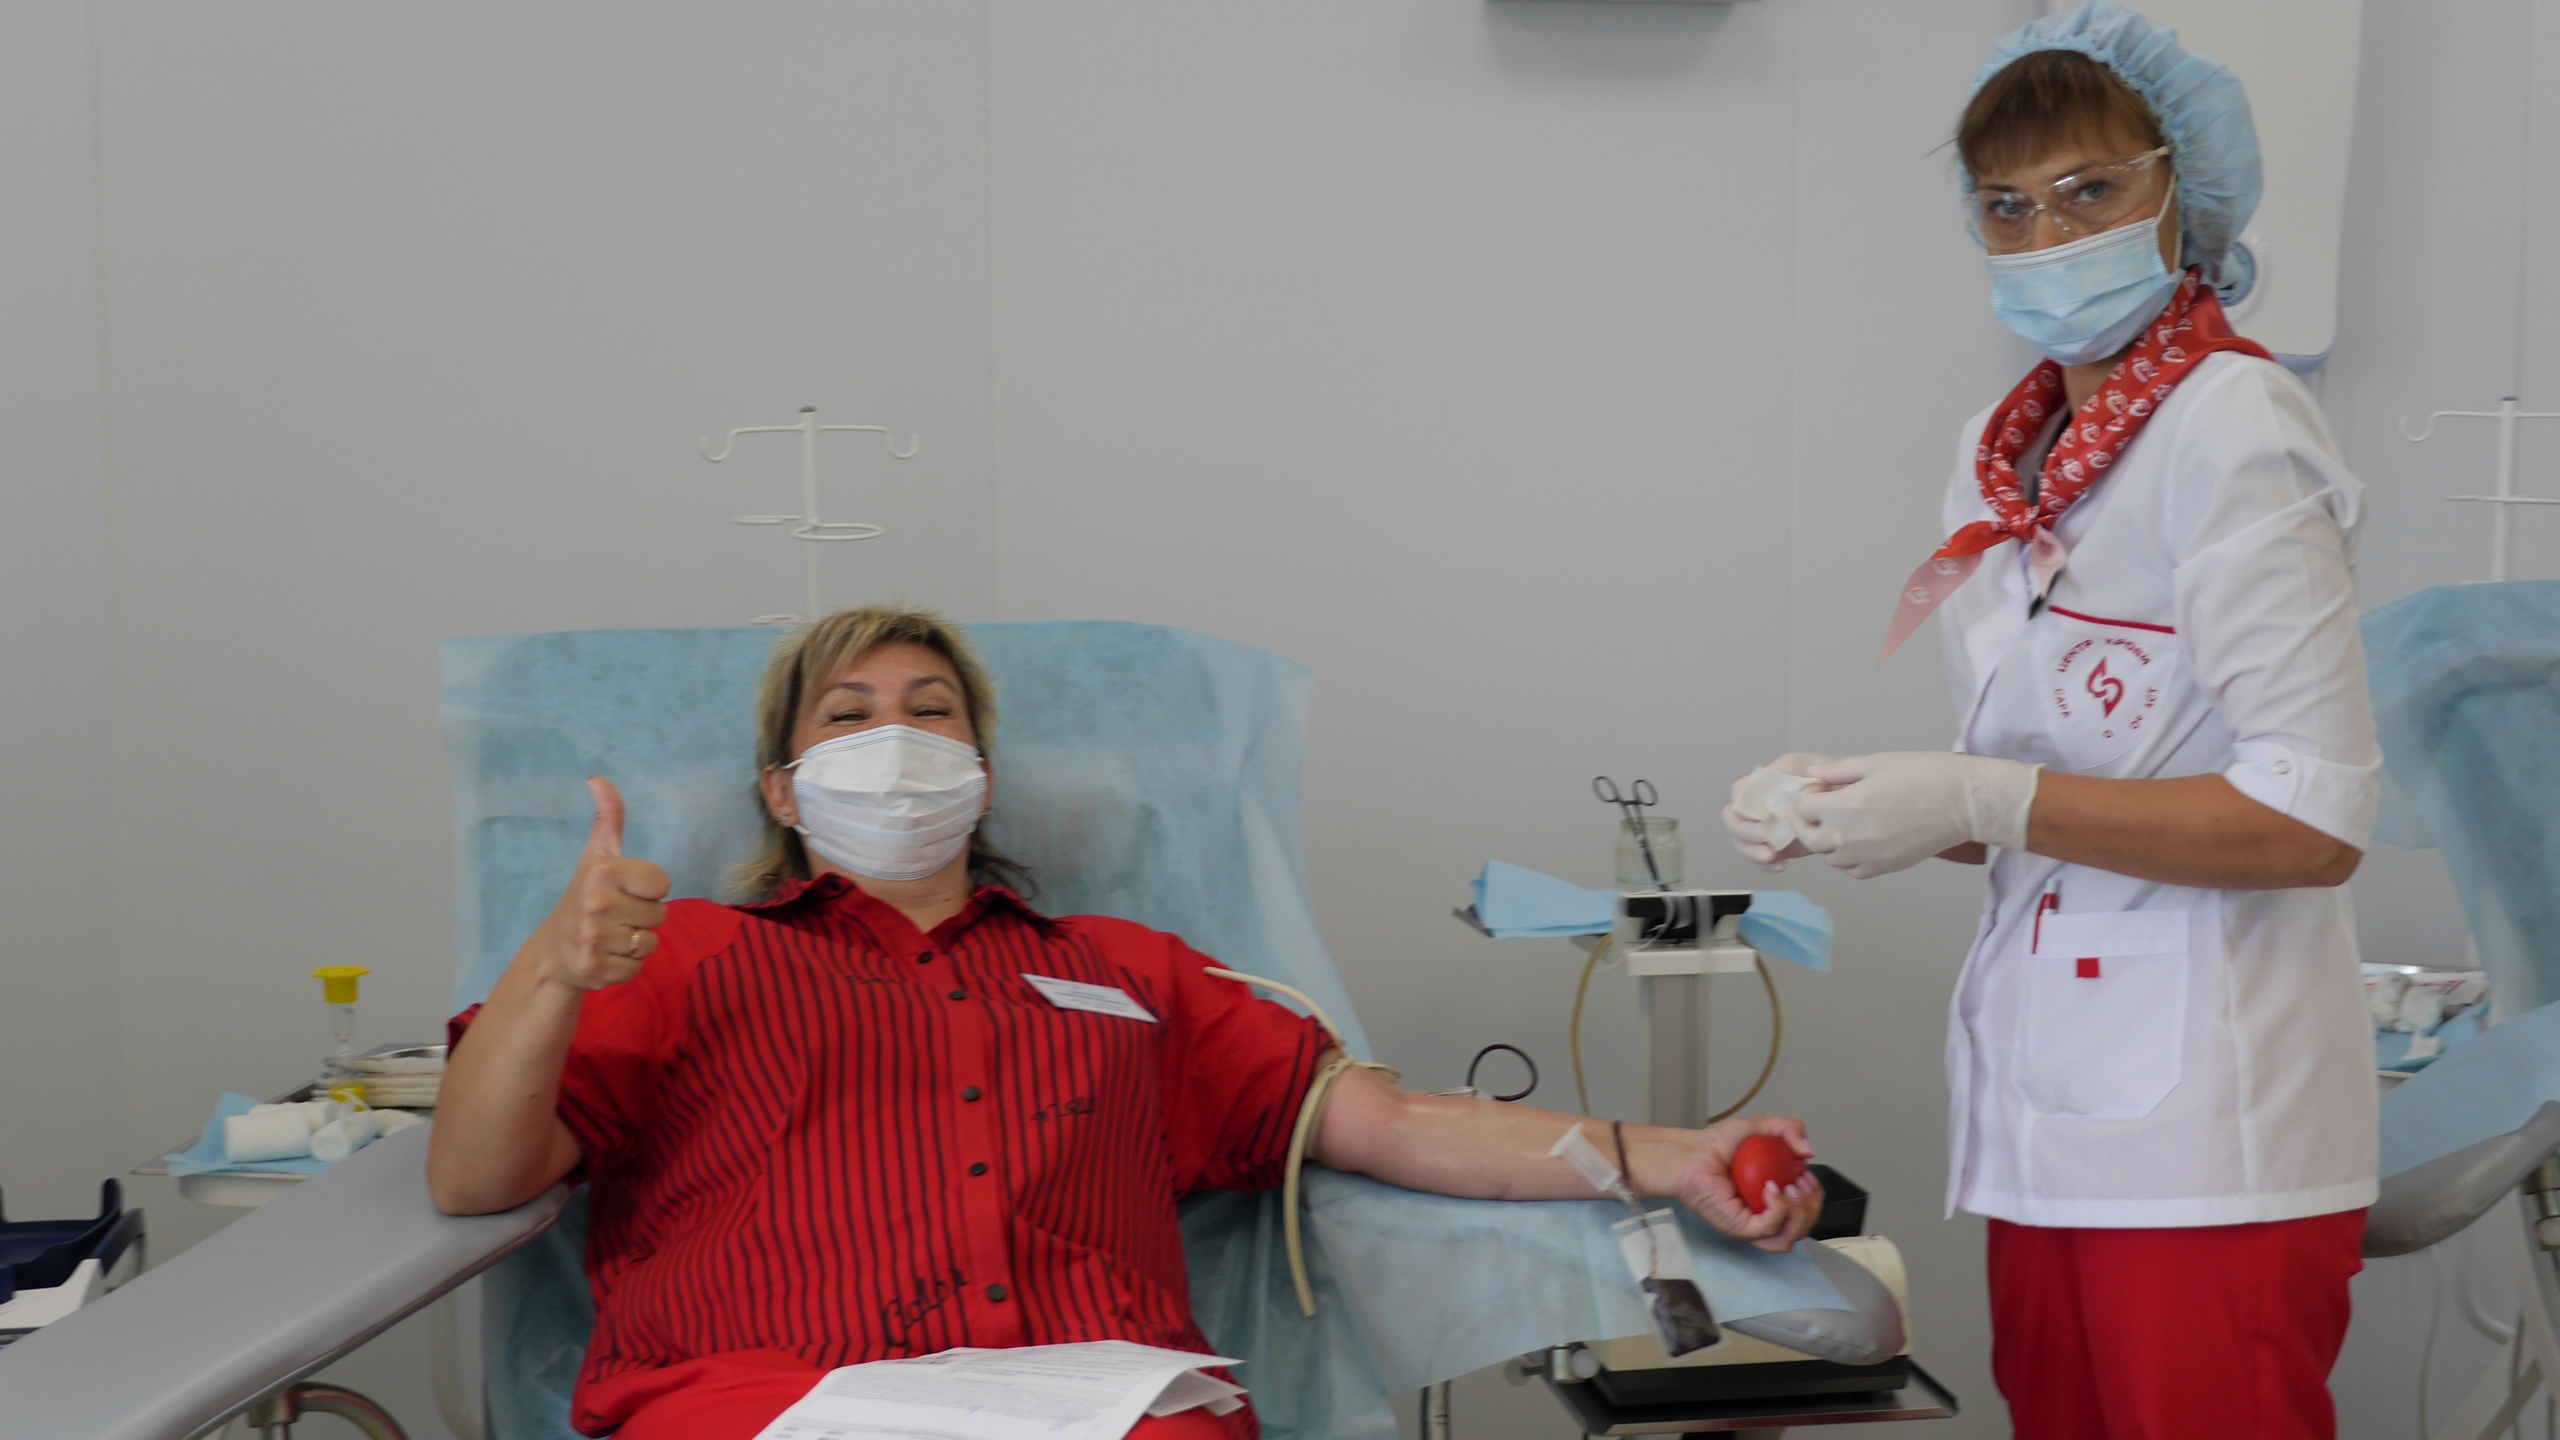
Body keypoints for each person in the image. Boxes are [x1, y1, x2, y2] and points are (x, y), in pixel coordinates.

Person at [430, 604, 1824, 1440]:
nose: (894, 737)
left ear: (981, 771)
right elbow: (475, 1175)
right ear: (784, 791)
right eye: (847, 717)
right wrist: (553, 970)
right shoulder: (679, 952)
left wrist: (1672, 1154)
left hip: (1097, 1405)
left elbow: (1392, 1122)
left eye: (930, 711)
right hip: (767, 1402)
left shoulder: (1129, 974)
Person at [1722, 6, 2378, 1438]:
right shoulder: (2000, 452)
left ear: (2182, 195)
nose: (2045, 235)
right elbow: (2055, 789)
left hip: (2214, 1122)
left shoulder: (2235, 424)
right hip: (2047, 1111)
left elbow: (2312, 820)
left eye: (2090, 190)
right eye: (2006, 205)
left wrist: (1978, 799)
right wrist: (1877, 804)